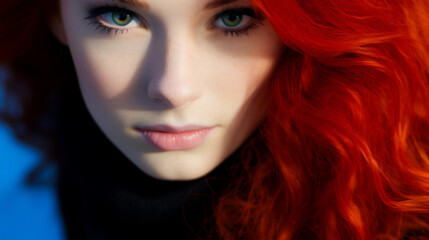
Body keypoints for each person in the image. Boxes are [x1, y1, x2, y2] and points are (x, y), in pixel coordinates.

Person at [1, 0, 428, 239]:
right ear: (54, 16)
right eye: (121, 17)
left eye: (232, 18)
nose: (173, 87)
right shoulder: (30, 204)